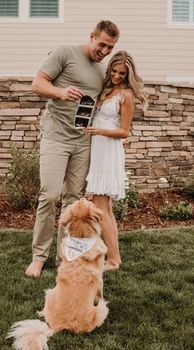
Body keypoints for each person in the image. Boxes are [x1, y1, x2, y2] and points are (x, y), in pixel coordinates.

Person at [25, 20, 120, 277]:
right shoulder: (64, 53)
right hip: (56, 137)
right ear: (91, 36)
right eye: (101, 44)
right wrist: (59, 92)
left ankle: (65, 256)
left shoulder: (102, 69)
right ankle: (39, 256)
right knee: (50, 195)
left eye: (110, 47)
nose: (104, 50)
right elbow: (37, 84)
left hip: (82, 142)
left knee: (73, 201)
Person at [84, 50, 147, 271]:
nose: (118, 76)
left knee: (100, 206)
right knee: (104, 207)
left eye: (122, 73)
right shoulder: (106, 90)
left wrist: (99, 130)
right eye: (115, 70)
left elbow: (124, 132)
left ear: (128, 74)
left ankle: (113, 259)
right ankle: (113, 256)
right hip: (98, 148)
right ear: (109, 68)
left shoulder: (125, 96)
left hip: (109, 150)